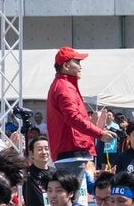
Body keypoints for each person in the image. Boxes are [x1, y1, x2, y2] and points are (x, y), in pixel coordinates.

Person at [46, 46, 112, 179]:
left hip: (70, 153)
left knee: (74, 198)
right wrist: (99, 133)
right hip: (71, 154)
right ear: (66, 66)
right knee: (71, 198)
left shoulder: (62, 85)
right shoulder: (65, 87)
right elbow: (73, 117)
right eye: (77, 62)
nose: (80, 67)